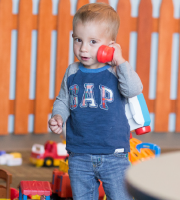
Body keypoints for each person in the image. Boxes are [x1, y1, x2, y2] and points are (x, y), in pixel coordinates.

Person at [48, 2, 142, 200]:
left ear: (111, 46)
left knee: (121, 196)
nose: (83, 48)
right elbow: (63, 100)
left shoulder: (116, 70)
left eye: (93, 42)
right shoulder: (72, 71)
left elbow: (133, 89)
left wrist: (121, 61)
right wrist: (58, 115)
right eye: (78, 39)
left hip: (114, 154)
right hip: (79, 153)